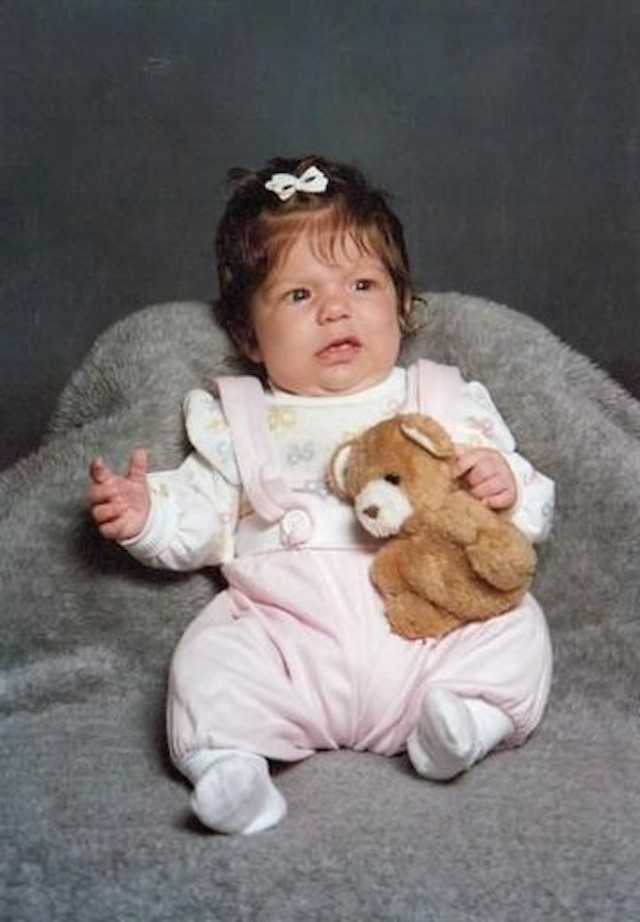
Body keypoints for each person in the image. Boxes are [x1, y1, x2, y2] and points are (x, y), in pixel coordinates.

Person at [88, 155, 554, 835]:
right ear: (248, 335)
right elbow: (200, 517)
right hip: (289, 640)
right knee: (209, 660)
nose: (336, 308)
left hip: (429, 639)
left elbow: (523, 508)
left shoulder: (441, 401)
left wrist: (503, 487)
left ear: (402, 305)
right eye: (299, 295)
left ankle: (463, 726)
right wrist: (146, 515)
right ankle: (231, 770)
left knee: (518, 626)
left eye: (362, 284)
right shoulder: (238, 419)